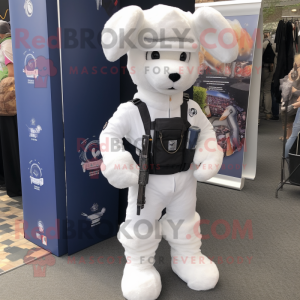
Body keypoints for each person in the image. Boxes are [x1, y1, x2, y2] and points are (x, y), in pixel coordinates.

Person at [0, 20, 22, 197]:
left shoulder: (6, 45)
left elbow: (12, 73)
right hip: (7, 102)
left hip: (8, 103)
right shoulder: (7, 44)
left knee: (11, 140)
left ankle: (15, 185)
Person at [260, 30, 277, 120]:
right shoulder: (274, 44)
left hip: (263, 69)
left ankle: (258, 111)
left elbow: (259, 58)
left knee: (261, 90)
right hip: (272, 69)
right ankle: (268, 113)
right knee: (268, 91)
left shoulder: (262, 44)